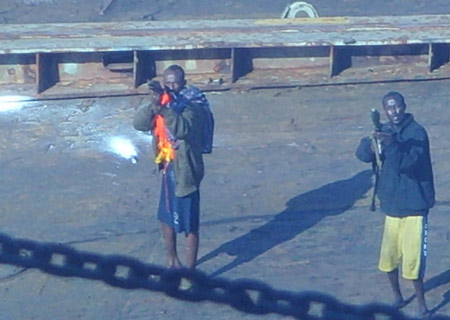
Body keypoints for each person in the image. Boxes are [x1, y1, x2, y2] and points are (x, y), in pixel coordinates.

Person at [355, 91, 435, 318]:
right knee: (389, 259)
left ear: (404, 106)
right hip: (392, 205)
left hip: (414, 205)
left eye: (397, 107)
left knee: (413, 262)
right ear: (385, 111)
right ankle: (398, 297)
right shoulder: (385, 131)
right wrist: (369, 144)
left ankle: (421, 304)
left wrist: (392, 145)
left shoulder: (417, 132)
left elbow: (410, 163)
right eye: (389, 108)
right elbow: (362, 156)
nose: (394, 112)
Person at [133, 65, 209, 270]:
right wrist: (153, 104)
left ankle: (190, 269)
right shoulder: (162, 101)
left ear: (183, 83)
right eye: (168, 83)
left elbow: (182, 128)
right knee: (165, 215)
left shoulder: (193, 103)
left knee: (189, 222)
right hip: (168, 166)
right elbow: (138, 124)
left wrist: (165, 109)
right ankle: (172, 260)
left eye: (175, 82)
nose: (171, 87)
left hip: (187, 169)